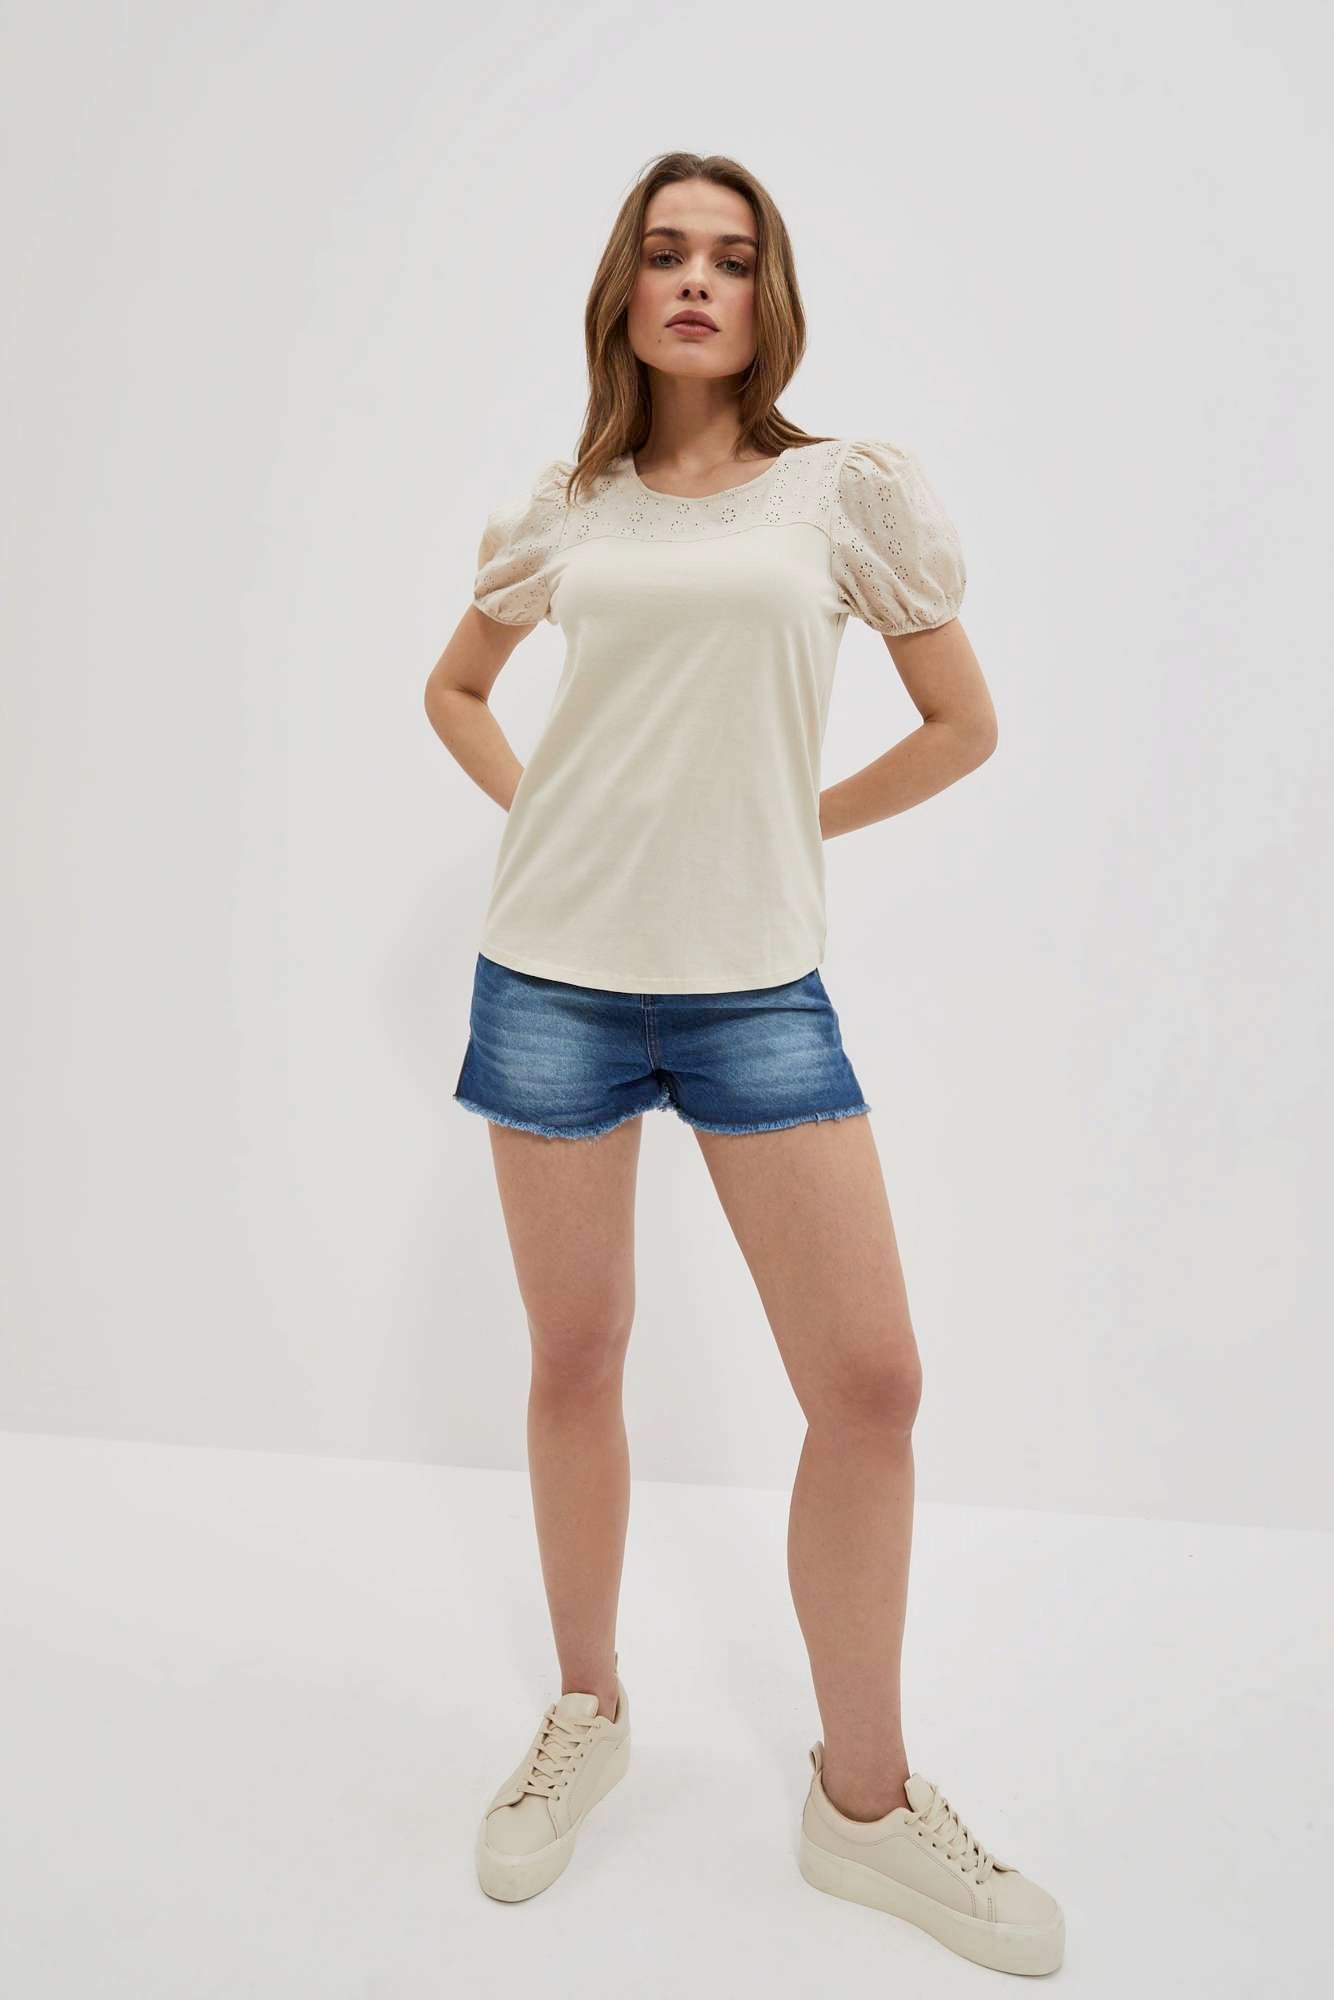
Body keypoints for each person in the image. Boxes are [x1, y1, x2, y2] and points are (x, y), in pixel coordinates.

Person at [423, 151, 1064, 1976]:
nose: (695, 280)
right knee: (576, 1355)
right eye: (664, 253)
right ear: (622, 293)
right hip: (549, 976)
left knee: (869, 1381)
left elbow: (961, 725)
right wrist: (555, 818)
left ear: (768, 296)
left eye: (730, 255)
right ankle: (585, 1710)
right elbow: (453, 690)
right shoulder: (562, 508)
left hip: (749, 988)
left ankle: (862, 1801)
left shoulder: (842, 494)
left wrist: (787, 823)